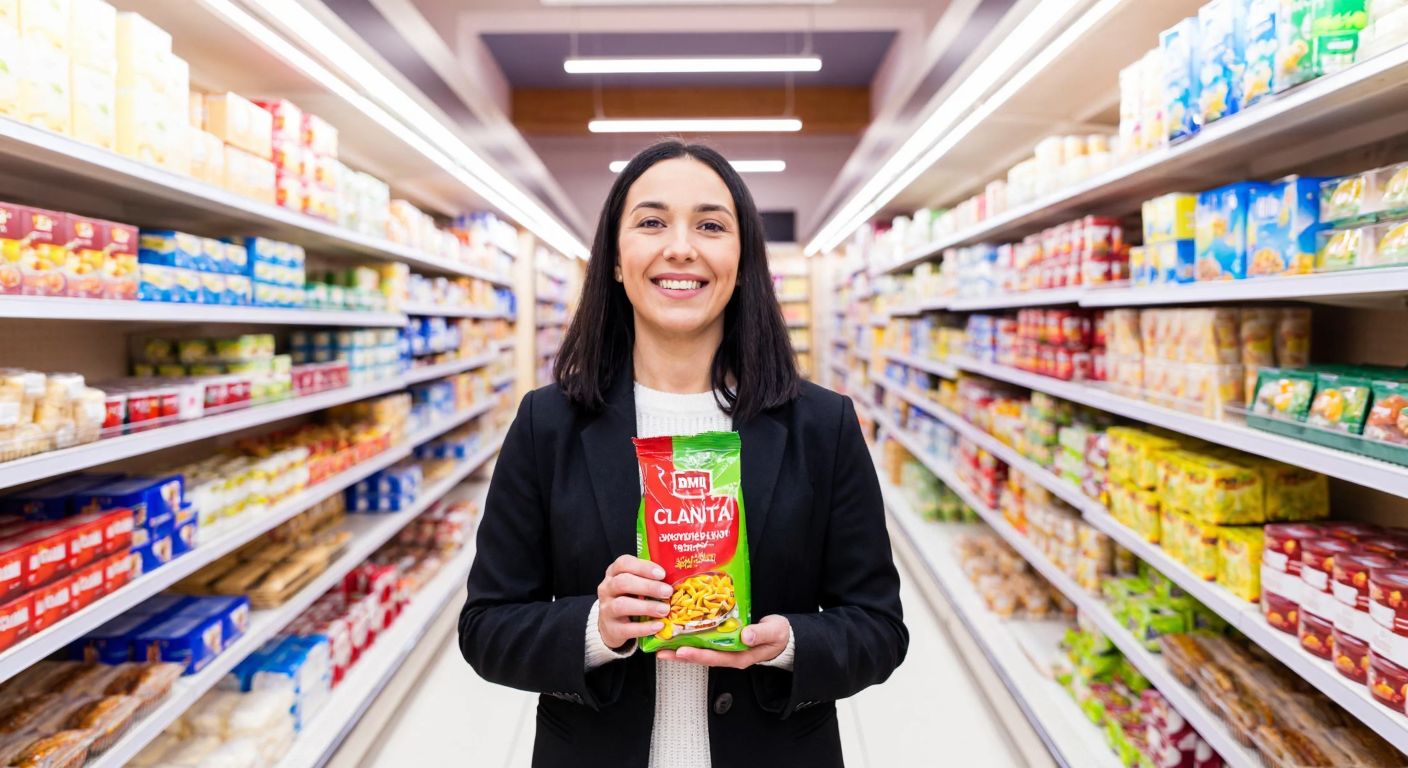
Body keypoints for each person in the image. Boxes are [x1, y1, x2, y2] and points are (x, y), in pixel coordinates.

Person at [458, 139, 907, 767]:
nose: (680, 247)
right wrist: (597, 628)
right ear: (615, 260)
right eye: (650, 221)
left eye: (711, 225)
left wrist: (787, 645)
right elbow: (485, 628)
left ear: (744, 258)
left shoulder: (820, 425)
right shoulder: (549, 423)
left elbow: (880, 628)